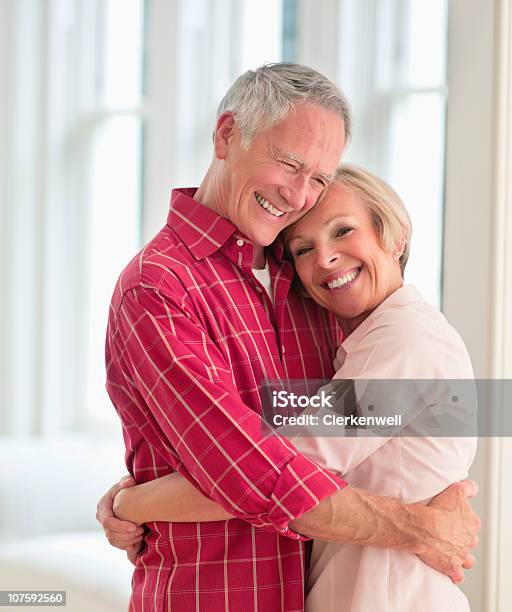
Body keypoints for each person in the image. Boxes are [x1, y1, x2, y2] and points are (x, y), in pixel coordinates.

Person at [97, 64, 480, 612]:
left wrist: (137, 498)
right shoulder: (159, 288)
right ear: (227, 135)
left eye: (319, 179)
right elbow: (252, 469)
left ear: (395, 235)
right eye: (289, 163)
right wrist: (418, 526)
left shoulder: (306, 284)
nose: (301, 195)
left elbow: (328, 440)